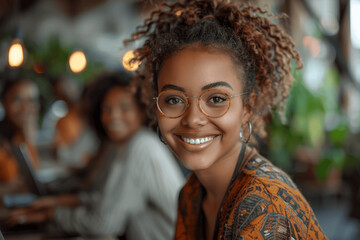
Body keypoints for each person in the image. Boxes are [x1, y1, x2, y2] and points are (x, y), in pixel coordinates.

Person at [124, 0, 328, 239]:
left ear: (247, 108)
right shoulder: (192, 193)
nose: (192, 119)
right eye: (174, 100)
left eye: (217, 99)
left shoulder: (265, 206)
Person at [6, 71, 185, 239]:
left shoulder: (141, 146)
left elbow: (104, 223)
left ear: (141, 111)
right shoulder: (125, 145)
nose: (113, 117)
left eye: (124, 108)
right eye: (106, 109)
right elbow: (106, 200)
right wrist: (59, 202)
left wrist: (51, 214)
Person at [0, 76, 40, 184]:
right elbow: (9, 176)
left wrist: (28, 137)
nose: (25, 107)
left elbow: (34, 178)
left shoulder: (20, 134)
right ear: (4, 103)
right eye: (17, 100)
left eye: (31, 101)